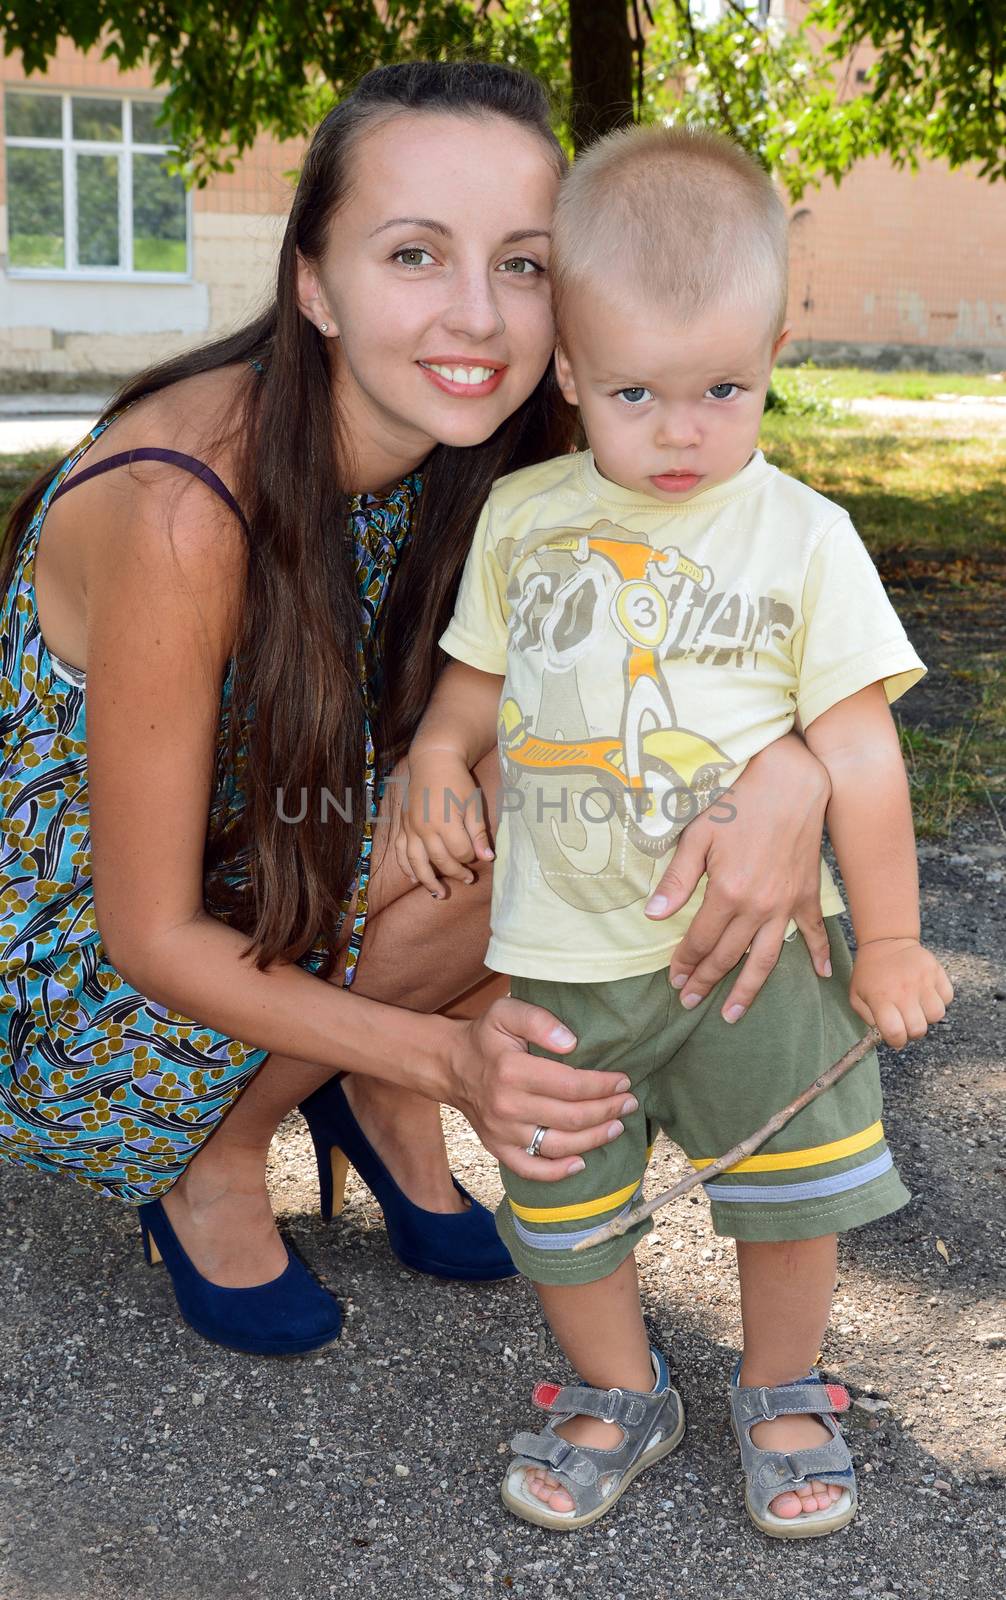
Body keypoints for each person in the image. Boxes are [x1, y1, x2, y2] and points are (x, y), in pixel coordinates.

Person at [1, 66, 836, 1361]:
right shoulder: (180, 506)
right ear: (314, 283)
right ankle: (219, 1157)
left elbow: (732, 608)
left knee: (586, 768)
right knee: (546, 804)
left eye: (519, 263)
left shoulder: (530, 445)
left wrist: (789, 769)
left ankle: (372, 1081)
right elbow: (148, 929)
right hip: (110, 981)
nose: (476, 315)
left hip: (301, 854)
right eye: (411, 254)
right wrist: (465, 1063)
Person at [398, 124, 954, 1538]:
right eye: (634, 392)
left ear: (773, 349)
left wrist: (885, 936)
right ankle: (614, 1387)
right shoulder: (526, 519)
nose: (680, 430)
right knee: (560, 1197)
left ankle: (782, 1384)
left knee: (791, 1190)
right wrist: (436, 761)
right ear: (570, 370)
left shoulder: (804, 535)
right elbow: (472, 684)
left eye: (723, 388)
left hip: (757, 956)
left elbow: (857, 752)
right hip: (562, 956)